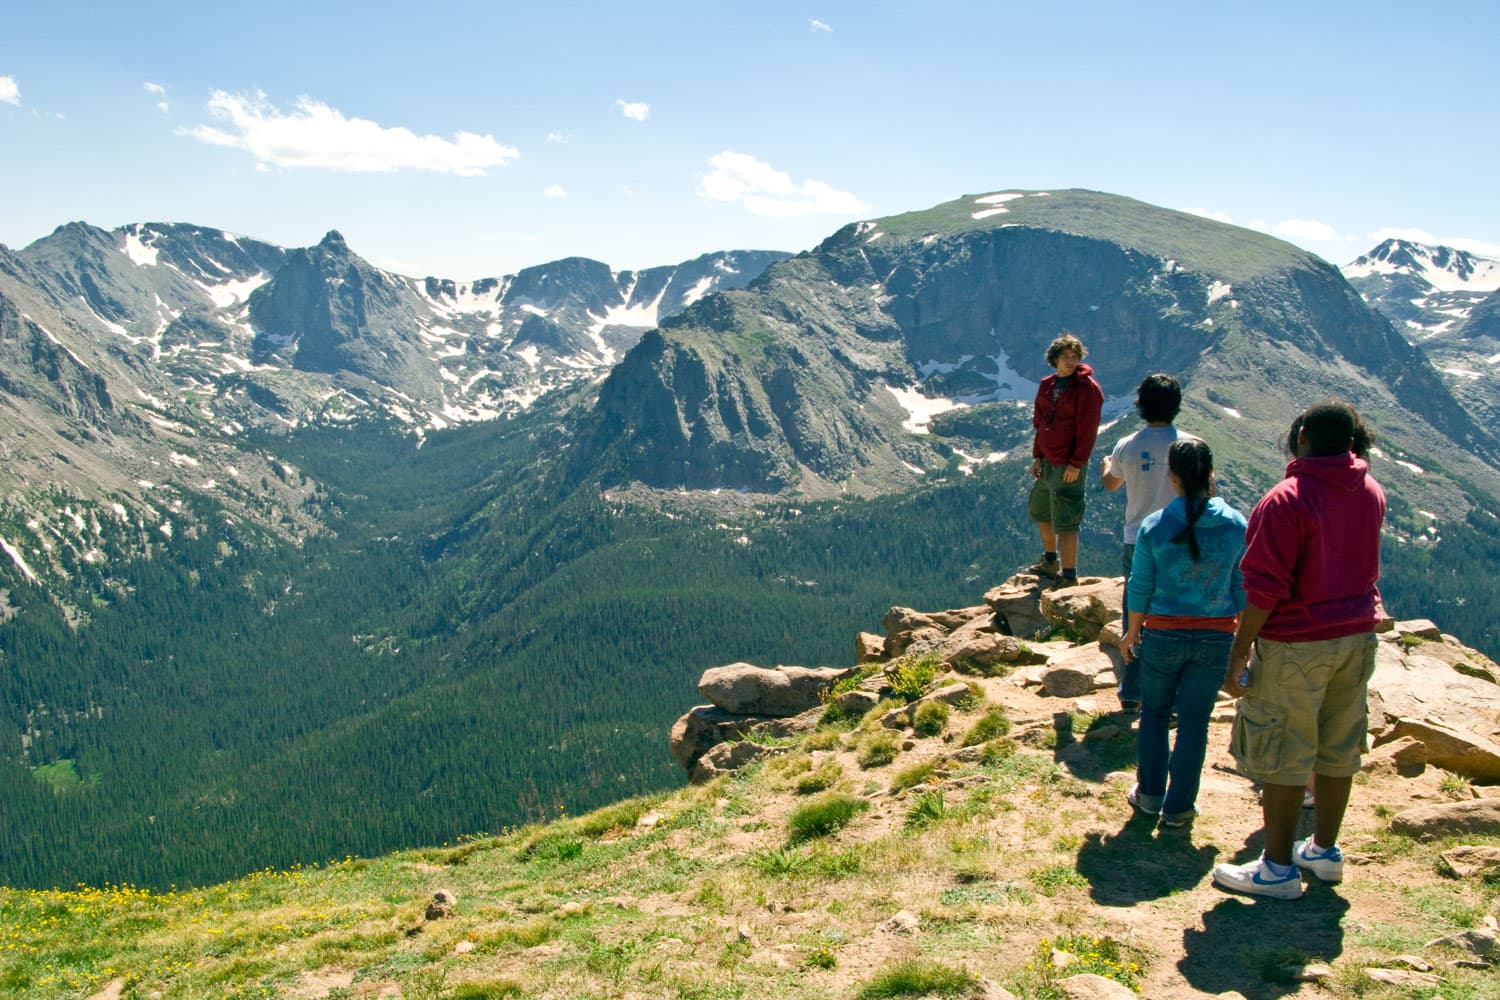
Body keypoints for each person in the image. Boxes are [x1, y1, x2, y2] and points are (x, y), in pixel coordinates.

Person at [1211, 401, 1386, 900]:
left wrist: (1241, 649)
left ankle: (1277, 867)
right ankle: (1324, 850)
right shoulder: (1370, 490)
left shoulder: (1286, 500)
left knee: (1284, 752)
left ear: (1302, 436)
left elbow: (1264, 588)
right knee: (1338, 746)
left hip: (1295, 642)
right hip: (1356, 636)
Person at [1121, 439, 1247, 828]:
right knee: (1195, 720)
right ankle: (1179, 808)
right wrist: (1244, 635)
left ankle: (1149, 795)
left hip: (1161, 635)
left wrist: (1132, 631)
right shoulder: (1236, 525)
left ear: (1171, 477)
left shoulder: (1155, 526)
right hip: (1216, 636)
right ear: (1211, 476)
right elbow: (1241, 584)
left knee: (1155, 715)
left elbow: (1140, 584)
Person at [1102, 373, 1198, 711]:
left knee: (1136, 610)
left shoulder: (1127, 444)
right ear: (1177, 405)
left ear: (1140, 405)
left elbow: (1111, 484)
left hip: (1137, 537)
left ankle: (1133, 690)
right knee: (1177, 609)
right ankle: (1171, 693)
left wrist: (1105, 467)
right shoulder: (1191, 445)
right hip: (1182, 537)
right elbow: (1208, 493)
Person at [1028, 333, 1104, 589]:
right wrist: (1037, 456)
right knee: (1043, 512)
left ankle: (1069, 575)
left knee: (1067, 520)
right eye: (1066, 357)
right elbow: (1040, 424)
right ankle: (1050, 561)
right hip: (1048, 461)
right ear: (1055, 360)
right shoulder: (1047, 385)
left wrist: (1077, 463)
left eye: (1075, 357)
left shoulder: (1087, 389)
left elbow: (1087, 429)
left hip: (1068, 465)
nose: (1071, 362)